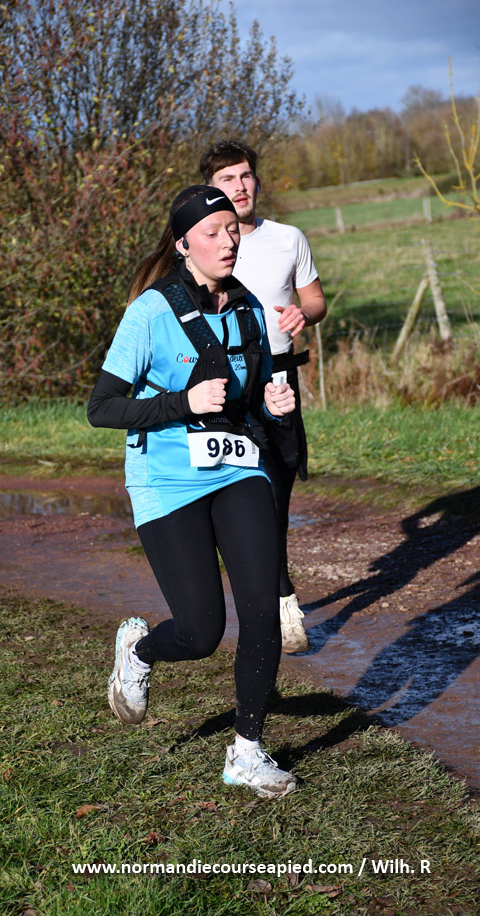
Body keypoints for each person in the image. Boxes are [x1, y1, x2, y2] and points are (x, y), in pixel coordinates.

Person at [88, 185, 299, 798]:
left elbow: (252, 397)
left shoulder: (249, 307)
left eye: (232, 229)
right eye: (213, 233)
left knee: (261, 610)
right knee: (201, 631)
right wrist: (183, 402)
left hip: (238, 469)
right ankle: (140, 652)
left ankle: (246, 753)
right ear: (183, 245)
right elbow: (102, 408)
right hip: (166, 479)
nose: (228, 241)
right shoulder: (150, 313)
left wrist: (274, 405)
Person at [200, 140, 327, 654]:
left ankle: (273, 594)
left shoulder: (288, 238)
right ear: (211, 189)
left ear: (257, 180)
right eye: (227, 179)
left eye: (246, 175)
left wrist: (303, 313)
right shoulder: (204, 243)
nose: (240, 186)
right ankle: (277, 599)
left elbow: (315, 299)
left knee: (279, 492)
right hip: (227, 389)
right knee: (250, 495)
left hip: (279, 381)